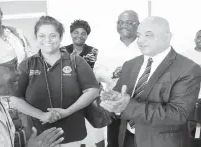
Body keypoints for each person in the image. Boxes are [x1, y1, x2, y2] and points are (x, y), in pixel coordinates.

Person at [101, 16, 201, 147]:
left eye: (148, 35)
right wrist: (113, 101)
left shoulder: (188, 69)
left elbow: (178, 114)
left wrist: (127, 105)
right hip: (126, 139)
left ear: (167, 36)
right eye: (139, 35)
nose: (141, 41)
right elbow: (120, 98)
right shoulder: (130, 65)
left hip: (161, 142)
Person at [9, 16, 99, 147]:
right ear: (36, 37)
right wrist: (42, 115)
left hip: (72, 136)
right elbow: (15, 98)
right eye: (42, 36)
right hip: (39, 139)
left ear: (60, 37)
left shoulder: (77, 62)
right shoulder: (27, 65)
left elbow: (93, 91)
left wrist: (67, 111)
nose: (47, 40)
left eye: (53, 36)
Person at [93, 10, 141, 147]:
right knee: (114, 142)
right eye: (120, 22)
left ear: (139, 25)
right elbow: (96, 72)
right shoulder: (107, 48)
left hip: (140, 106)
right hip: (114, 108)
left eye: (129, 22)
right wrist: (112, 75)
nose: (123, 25)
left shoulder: (145, 46)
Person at [61, 19, 103, 147]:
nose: (79, 35)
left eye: (83, 33)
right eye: (76, 32)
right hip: (69, 96)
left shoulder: (93, 52)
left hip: (90, 95)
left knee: (95, 129)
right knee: (77, 130)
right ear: (71, 33)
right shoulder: (62, 51)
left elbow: (98, 72)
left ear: (87, 35)